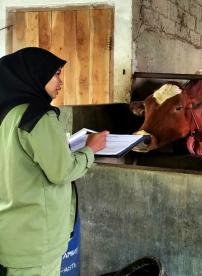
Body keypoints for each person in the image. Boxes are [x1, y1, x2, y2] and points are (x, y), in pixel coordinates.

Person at [0, 47, 108, 275]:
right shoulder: (38, 116)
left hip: (10, 233)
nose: (61, 82)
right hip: (36, 239)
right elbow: (62, 172)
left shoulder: (7, 114)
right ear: (35, 74)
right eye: (56, 74)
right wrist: (91, 149)